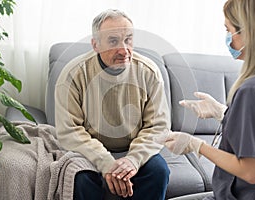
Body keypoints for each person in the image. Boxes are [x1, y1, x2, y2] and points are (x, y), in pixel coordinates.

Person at [55, 9, 170, 200]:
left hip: (135, 149)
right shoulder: (72, 75)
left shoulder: (149, 72)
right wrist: (106, 163)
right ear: (95, 45)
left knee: (159, 172)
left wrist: (133, 160)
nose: (124, 50)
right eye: (113, 41)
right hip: (90, 152)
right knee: (80, 178)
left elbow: (158, 126)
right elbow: (69, 131)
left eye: (128, 40)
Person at [164, 0, 255, 199]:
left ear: (250, 33)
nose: (227, 38)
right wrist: (223, 112)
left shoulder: (253, 90)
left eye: (228, 30)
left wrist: (196, 145)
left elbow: (251, 171)